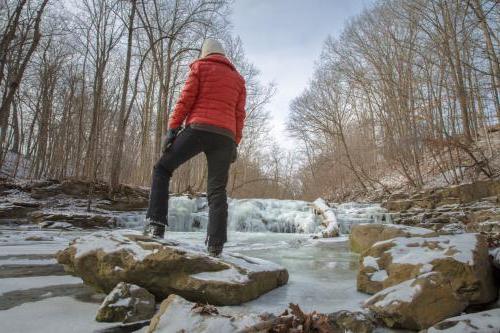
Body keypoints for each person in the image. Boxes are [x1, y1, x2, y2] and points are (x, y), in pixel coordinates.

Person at [143, 38, 246, 257]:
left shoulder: (200, 67)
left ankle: (155, 224)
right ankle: (215, 245)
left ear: (205, 53)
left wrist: (173, 129)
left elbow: (186, 99)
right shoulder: (238, 79)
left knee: (162, 169)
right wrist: (235, 142)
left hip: (199, 128)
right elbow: (240, 114)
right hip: (225, 136)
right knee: (217, 191)